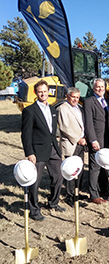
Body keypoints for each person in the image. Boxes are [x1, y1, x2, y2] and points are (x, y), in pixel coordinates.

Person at [21, 79, 66, 221]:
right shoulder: (29, 111)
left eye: (45, 91)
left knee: (58, 176)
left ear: (48, 92)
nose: (43, 94)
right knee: (35, 181)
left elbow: (52, 131)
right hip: (38, 151)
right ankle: (34, 210)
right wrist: (29, 153)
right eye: (40, 92)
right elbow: (26, 133)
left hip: (53, 149)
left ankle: (53, 202)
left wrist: (58, 149)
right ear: (36, 93)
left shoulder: (52, 109)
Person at [58, 87, 87, 207]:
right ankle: (70, 196)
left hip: (80, 143)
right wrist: (78, 139)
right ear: (67, 96)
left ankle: (76, 192)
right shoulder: (63, 108)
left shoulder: (78, 108)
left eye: (77, 97)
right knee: (71, 170)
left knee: (79, 170)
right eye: (73, 97)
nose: (75, 99)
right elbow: (65, 127)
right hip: (71, 143)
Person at [84, 78, 109, 204]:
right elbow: (88, 123)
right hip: (97, 140)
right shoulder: (89, 101)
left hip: (106, 140)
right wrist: (93, 140)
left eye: (102, 87)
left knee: (104, 165)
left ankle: (102, 189)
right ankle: (93, 194)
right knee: (94, 168)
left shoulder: (106, 101)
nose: (100, 89)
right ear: (93, 88)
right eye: (98, 87)